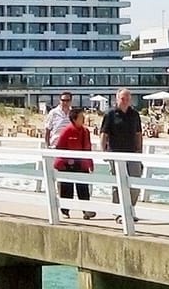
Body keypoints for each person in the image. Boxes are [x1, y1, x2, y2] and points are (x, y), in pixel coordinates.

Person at [98, 87, 144, 219]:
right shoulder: (110, 114)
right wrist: (104, 152)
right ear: (117, 99)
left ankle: (130, 210)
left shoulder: (134, 114)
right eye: (123, 99)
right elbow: (103, 134)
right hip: (115, 153)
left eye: (128, 99)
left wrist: (140, 151)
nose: (125, 101)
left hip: (132, 153)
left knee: (135, 184)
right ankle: (119, 212)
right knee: (118, 185)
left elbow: (138, 134)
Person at [53, 105, 96, 218]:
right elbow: (59, 148)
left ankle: (86, 210)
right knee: (67, 188)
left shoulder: (85, 131)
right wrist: (67, 160)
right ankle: (65, 210)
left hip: (81, 164)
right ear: (74, 119)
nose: (83, 119)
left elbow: (88, 148)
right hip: (67, 164)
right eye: (81, 117)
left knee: (83, 187)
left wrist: (90, 163)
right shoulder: (66, 131)